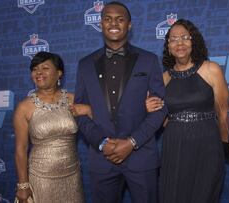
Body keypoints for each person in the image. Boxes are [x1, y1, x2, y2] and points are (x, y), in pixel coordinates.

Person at [74, 2, 167, 203]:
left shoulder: (148, 60)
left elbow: (160, 109)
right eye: (107, 18)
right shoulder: (85, 64)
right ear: (100, 24)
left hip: (141, 157)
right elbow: (79, 111)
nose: (113, 23)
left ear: (129, 25)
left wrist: (132, 142)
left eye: (120, 19)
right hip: (102, 159)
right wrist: (102, 143)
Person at [146, 19, 229, 203]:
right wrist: (149, 109)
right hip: (174, 145)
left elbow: (223, 113)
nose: (180, 43)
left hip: (207, 144)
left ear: (194, 41)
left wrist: (224, 145)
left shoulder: (211, 69)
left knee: (204, 195)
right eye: (174, 39)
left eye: (185, 37)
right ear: (168, 46)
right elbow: (161, 119)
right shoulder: (164, 79)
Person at [14, 51, 87, 203]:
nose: (38, 72)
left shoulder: (74, 99)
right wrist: (23, 185)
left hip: (72, 176)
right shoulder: (24, 107)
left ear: (59, 73)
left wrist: (89, 110)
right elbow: (21, 149)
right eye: (34, 69)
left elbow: (100, 123)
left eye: (45, 68)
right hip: (41, 179)